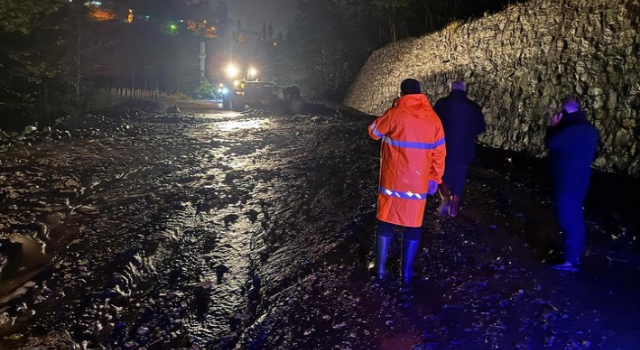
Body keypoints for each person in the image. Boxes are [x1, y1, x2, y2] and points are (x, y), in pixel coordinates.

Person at [368, 78, 446, 284]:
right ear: (421, 94)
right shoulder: (434, 120)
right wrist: (435, 178)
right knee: (413, 226)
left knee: (385, 222)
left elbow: (374, 132)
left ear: (402, 94)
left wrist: (392, 108)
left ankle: (381, 269)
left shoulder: (395, 114)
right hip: (418, 184)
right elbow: (440, 153)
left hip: (393, 182)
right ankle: (407, 272)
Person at [545, 95, 599, 271]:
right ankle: (573, 255)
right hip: (581, 179)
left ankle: (570, 260)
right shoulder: (590, 129)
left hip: (566, 180)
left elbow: (551, 144)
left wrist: (553, 127)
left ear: (564, 110)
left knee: (569, 217)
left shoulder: (569, 129)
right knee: (575, 215)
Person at [433, 80, 486, 217]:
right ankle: (454, 205)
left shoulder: (441, 104)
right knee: (459, 175)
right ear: (464, 89)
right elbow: (481, 127)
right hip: (464, 148)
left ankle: (445, 198)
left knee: (441, 173)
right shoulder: (473, 106)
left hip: (444, 146)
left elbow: (433, 124)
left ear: (450, 89)